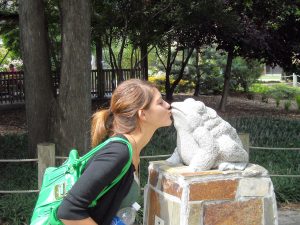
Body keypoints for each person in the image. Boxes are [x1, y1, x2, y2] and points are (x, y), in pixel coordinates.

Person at [57, 79, 172, 225]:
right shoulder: (118, 153)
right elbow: (68, 211)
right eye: (160, 102)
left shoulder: (131, 150)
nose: (168, 105)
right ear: (143, 114)